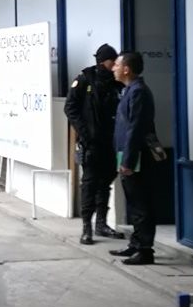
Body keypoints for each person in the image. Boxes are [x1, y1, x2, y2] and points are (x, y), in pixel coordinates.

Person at [64, 43, 125, 245]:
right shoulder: (84, 80)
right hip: (91, 143)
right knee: (89, 184)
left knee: (105, 183)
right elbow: (70, 108)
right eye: (112, 60)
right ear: (103, 61)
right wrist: (84, 131)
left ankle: (101, 224)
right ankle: (86, 228)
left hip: (111, 143)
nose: (115, 63)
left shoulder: (117, 83)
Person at [110, 51, 158, 265]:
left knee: (141, 204)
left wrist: (128, 161)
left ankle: (145, 250)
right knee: (133, 203)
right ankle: (136, 244)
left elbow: (135, 130)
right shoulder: (129, 90)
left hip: (135, 156)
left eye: (117, 65)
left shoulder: (138, 92)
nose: (113, 68)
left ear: (126, 69)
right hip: (126, 154)